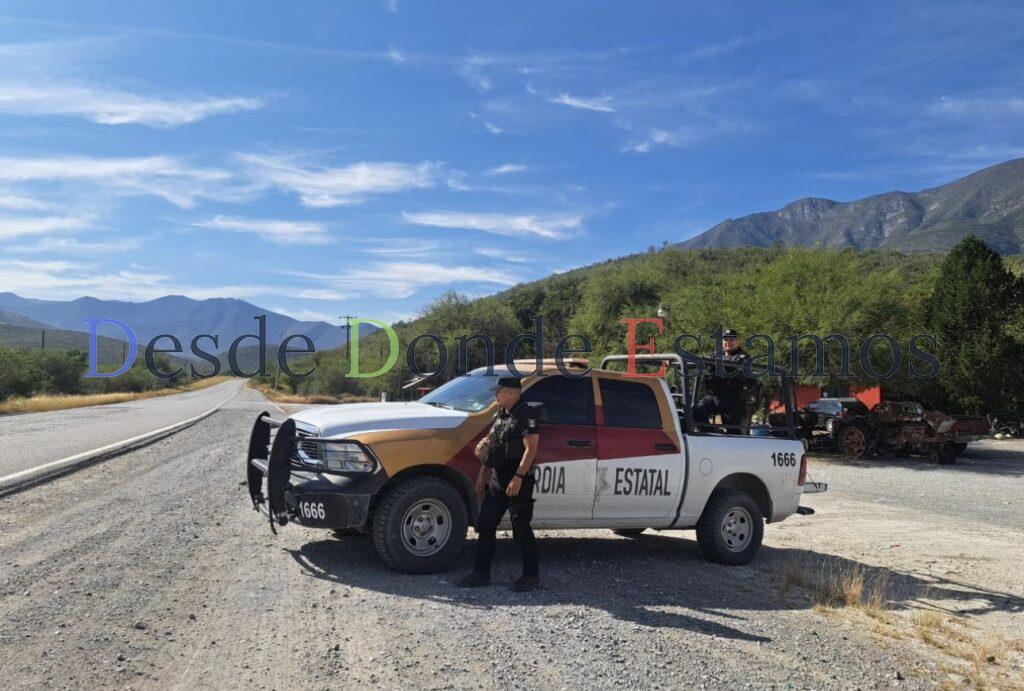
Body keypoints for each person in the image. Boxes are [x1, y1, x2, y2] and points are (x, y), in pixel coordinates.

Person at [455, 376, 541, 592]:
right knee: (485, 525)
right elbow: (491, 447)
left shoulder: (526, 414)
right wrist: (483, 474)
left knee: (521, 528)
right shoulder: (500, 416)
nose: (496, 395)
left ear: (511, 393)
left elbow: (531, 449)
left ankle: (531, 576)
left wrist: (519, 477)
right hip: (498, 477)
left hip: (518, 479)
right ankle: (480, 574)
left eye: (499, 391)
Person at [693, 329, 752, 431]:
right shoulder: (716, 355)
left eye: (732, 339)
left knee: (732, 430)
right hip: (715, 395)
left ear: (737, 341)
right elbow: (706, 365)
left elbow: (736, 368)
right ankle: (710, 434)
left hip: (732, 398)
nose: (728, 342)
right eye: (726, 339)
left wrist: (716, 362)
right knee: (696, 411)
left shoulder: (743, 357)